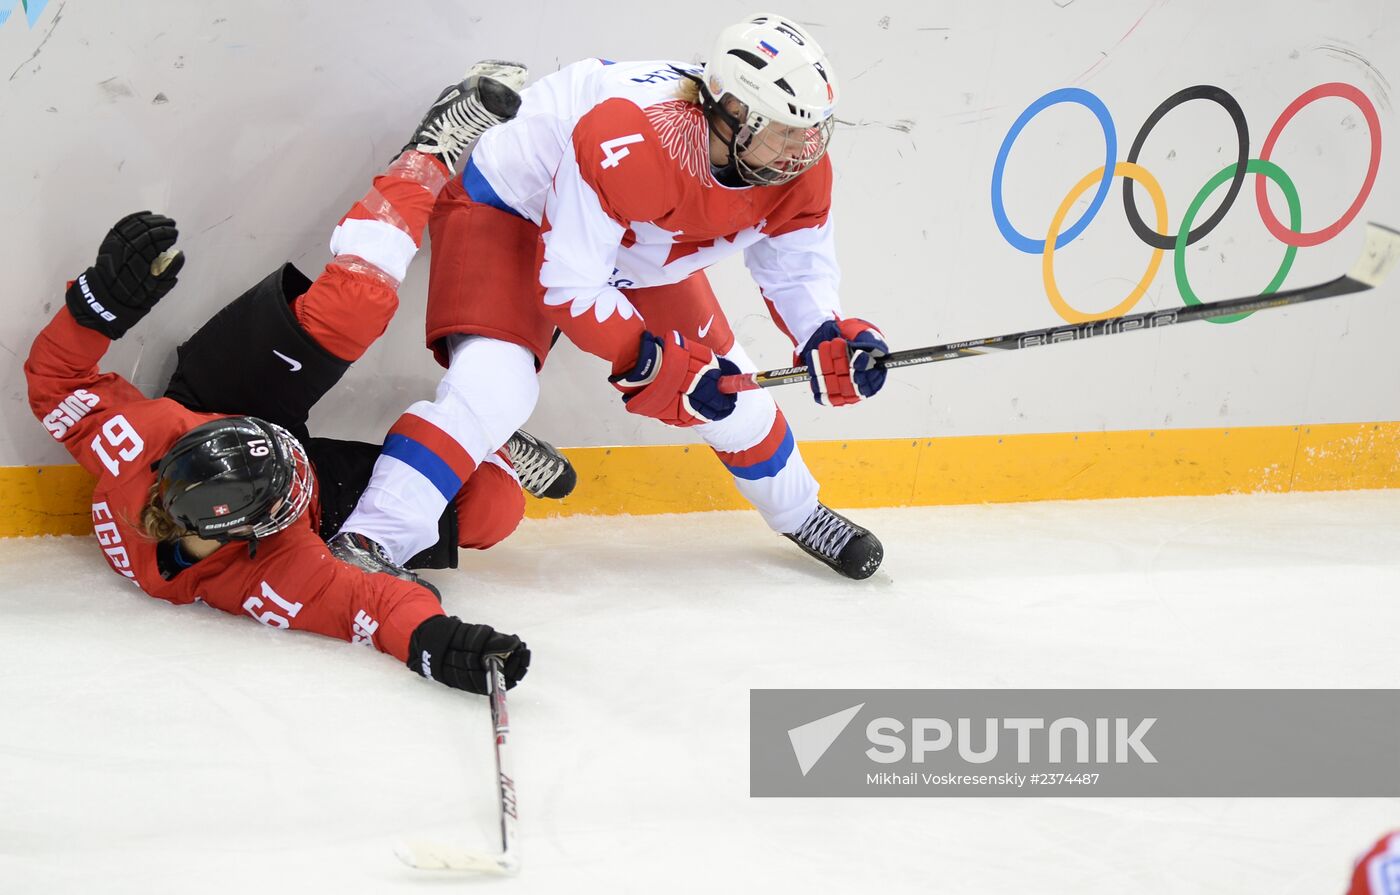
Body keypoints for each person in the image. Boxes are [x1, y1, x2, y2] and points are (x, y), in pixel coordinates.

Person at [23, 63, 563, 695]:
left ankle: (425, 158)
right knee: (493, 510)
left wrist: (98, 307)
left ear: (189, 448)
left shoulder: (147, 438)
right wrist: (437, 644)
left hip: (217, 400)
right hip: (301, 514)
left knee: (352, 307)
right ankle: (483, 448)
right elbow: (372, 606)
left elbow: (57, 382)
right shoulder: (276, 571)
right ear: (261, 530)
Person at [333, 13, 889, 582]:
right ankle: (373, 537)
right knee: (496, 388)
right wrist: (647, 360)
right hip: (511, 208)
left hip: (637, 237)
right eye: (786, 129)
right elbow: (572, 283)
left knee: (735, 394)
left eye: (813, 128)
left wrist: (823, 331)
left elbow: (796, 270)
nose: (804, 147)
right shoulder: (631, 136)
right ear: (734, 114)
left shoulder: (791, 163)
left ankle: (802, 513)